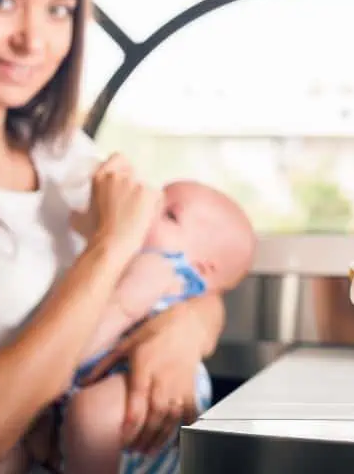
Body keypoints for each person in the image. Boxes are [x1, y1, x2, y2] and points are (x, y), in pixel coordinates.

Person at [0, 0, 255, 473]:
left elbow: (192, 276)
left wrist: (180, 331)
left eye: (58, 9)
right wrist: (110, 245)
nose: (33, 40)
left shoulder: (63, 154)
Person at [55, 179, 253, 474]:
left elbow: (82, 345)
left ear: (199, 268)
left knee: (93, 417)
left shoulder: (158, 268)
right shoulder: (145, 260)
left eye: (170, 214)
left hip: (145, 379)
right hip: (128, 380)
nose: (147, 209)